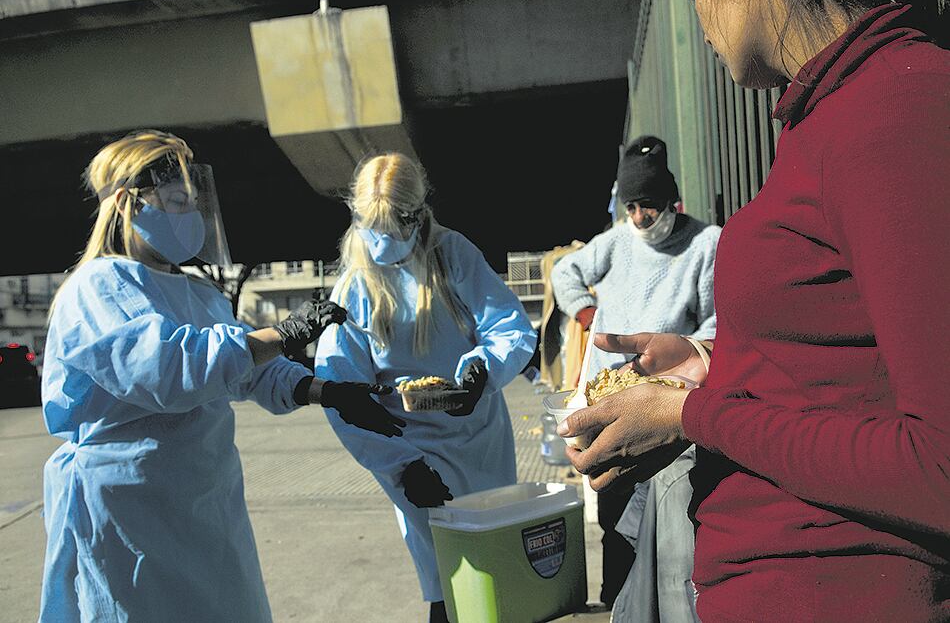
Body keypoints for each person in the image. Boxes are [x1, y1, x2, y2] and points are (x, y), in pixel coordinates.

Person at [559, 0, 950, 622]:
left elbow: (940, 464)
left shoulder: (892, 112)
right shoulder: (837, 110)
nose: (696, 9)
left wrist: (692, 414)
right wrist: (715, 362)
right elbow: (850, 364)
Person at [39, 130, 402, 622]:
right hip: (132, 502)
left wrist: (326, 390)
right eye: (173, 201)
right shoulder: (96, 287)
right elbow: (170, 371)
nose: (186, 215)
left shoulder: (197, 293)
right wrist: (284, 333)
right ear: (126, 204)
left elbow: (244, 371)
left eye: (191, 202)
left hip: (204, 498)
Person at [314, 153, 537, 623]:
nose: (378, 241)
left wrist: (484, 370)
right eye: (367, 225)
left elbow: (512, 330)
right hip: (412, 450)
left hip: (478, 439)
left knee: (494, 570)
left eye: (390, 227)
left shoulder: (453, 254)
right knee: (446, 581)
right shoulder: (355, 284)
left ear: (416, 218)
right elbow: (339, 390)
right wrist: (400, 466)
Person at [551, 136, 718, 614]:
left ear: (672, 201)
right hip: (609, 398)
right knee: (612, 508)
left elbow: (716, 323)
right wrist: (585, 314)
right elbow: (565, 273)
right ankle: (614, 602)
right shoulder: (617, 242)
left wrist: (677, 355)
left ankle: (652, 604)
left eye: (649, 205)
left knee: (667, 522)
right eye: (632, 207)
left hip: (666, 403)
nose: (641, 217)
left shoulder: (706, 244)